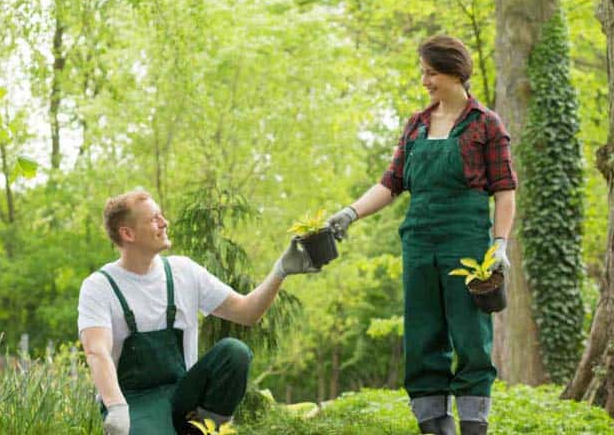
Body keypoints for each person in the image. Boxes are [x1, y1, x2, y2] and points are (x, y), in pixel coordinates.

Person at [323, 35, 517, 435]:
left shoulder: (485, 123)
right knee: (423, 334)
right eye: (424, 73)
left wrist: (499, 245)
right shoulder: (416, 124)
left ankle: (474, 425)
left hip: (466, 246)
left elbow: (504, 191)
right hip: (418, 244)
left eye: (431, 73)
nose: (425, 81)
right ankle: (434, 425)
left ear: (455, 73)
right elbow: (391, 183)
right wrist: (351, 212)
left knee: (471, 336)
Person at [78, 189, 318, 435]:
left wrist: (281, 270)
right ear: (128, 233)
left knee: (234, 352)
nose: (164, 222)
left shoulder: (184, 272)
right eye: (153, 219)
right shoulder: (100, 286)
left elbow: (247, 312)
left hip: (183, 394)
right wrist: (116, 408)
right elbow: (96, 351)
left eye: (161, 215)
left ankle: (205, 430)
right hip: (133, 402)